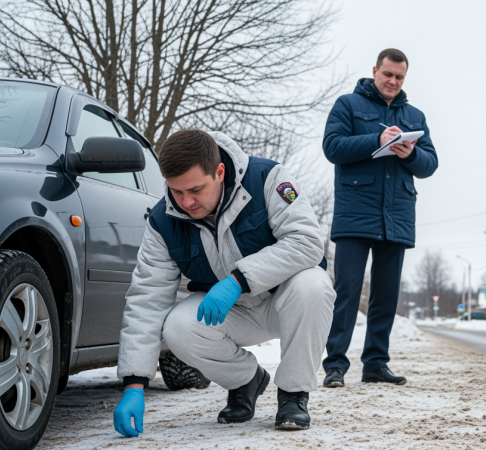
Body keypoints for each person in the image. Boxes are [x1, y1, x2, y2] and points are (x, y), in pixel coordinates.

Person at [112, 129, 335, 437]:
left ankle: (293, 394)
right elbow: (146, 298)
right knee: (177, 327)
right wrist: (134, 384)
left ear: (219, 172)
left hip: (284, 301)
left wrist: (238, 280)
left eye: (195, 189)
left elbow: (307, 242)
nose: (186, 201)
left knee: (314, 284)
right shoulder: (163, 221)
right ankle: (245, 381)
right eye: (176, 191)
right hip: (231, 313)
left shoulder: (267, 178)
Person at [320, 48, 438, 387]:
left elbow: (430, 165)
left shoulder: (415, 115)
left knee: (386, 296)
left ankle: (375, 364)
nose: (393, 81)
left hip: (397, 216)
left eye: (399, 77)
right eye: (388, 74)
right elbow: (333, 147)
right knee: (346, 292)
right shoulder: (348, 105)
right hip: (355, 214)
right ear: (375, 71)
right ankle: (335, 366)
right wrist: (376, 139)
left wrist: (411, 152)